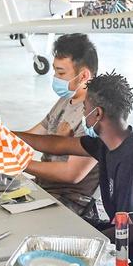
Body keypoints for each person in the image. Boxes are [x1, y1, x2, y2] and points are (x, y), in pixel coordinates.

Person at [18, 72, 133, 266]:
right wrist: (8, 135)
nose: (83, 114)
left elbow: (126, 233)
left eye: (85, 109)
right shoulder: (111, 141)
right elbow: (56, 144)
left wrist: (80, 250)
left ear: (97, 113)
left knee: (54, 263)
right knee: (55, 233)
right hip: (122, 237)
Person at [22, 34, 101, 218]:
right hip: (46, 189)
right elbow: (35, 136)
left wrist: (20, 165)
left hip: (71, 201)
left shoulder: (94, 115)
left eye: (61, 73)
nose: (56, 78)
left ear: (84, 76)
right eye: (55, 72)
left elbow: (72, 173)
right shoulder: (66, 101)